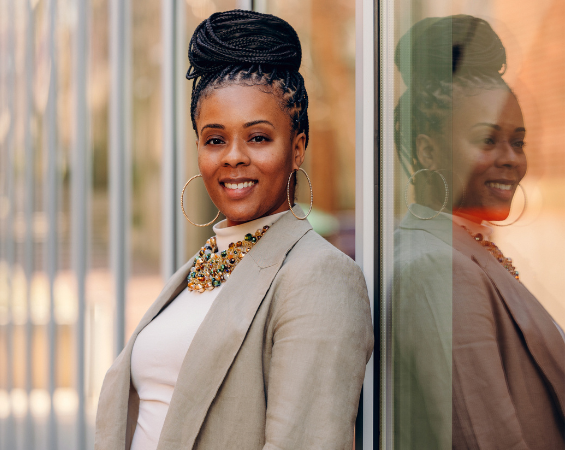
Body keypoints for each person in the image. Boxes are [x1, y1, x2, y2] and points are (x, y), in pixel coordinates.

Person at [95, 10, 374, 450]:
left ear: (297, 148)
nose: (233, 157)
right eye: (215, 139)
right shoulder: (199, 268)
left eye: (259, 138)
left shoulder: (320, 276)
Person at [392, 15, 565, 449]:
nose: (511, 159)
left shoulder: (466, 245)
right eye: (488, 140)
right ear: (429, 149)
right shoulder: (435, 265)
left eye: (518, 142)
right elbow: (481, 432)